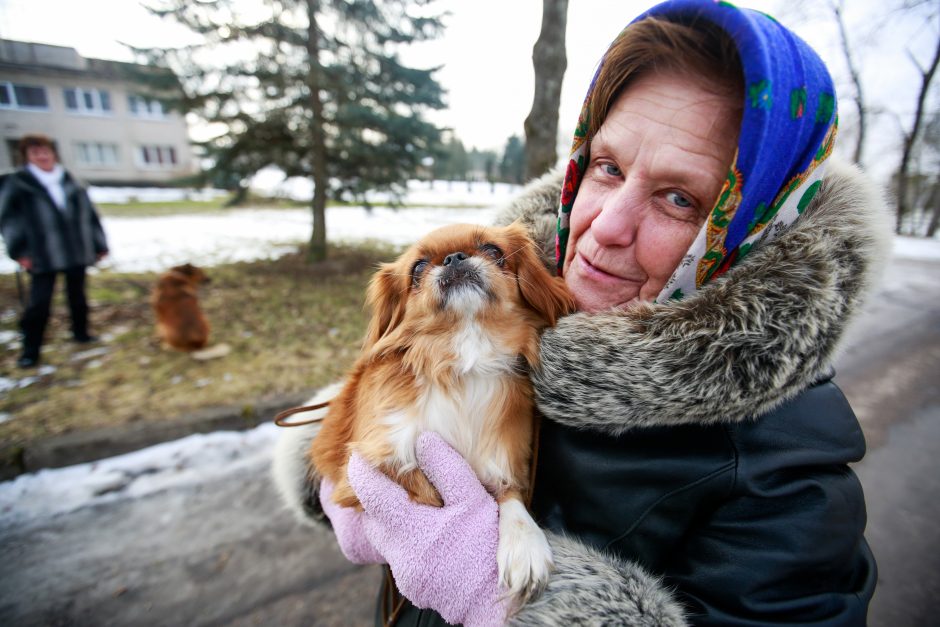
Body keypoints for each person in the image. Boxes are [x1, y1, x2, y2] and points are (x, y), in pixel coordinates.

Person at [273, 1, 888, 624]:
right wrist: (341, 446)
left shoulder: (787, 482)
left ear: (756, 225)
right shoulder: (509, 295)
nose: (606, 226)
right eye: (608, 166)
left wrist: (514, 601)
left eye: (680, 199)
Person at [0, 134, 109, 368]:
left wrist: (99, 244)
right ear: (27, 157)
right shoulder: (19, 183)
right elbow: (8, 220)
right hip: (42, 253)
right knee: (39, 303)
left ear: (53, 154)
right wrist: (20, 251)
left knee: (78, 296)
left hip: (76, 249)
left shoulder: (69, 180)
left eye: (45, 151)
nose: (42, 156)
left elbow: (90, 216)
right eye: (35, 152)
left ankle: (81, 334)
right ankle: (30, 351)